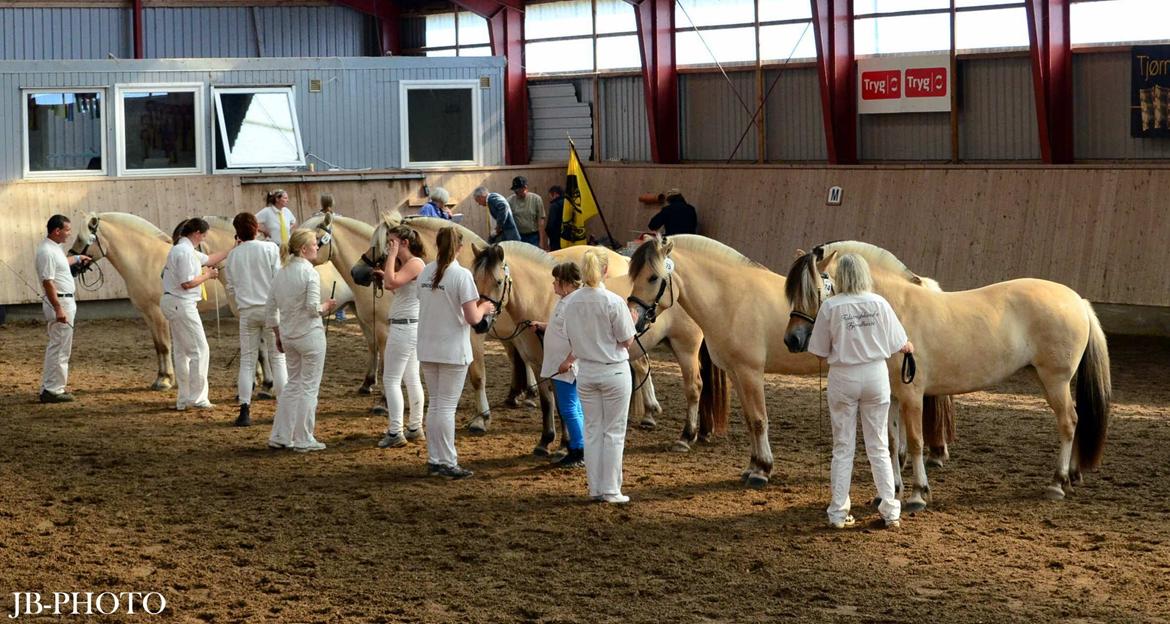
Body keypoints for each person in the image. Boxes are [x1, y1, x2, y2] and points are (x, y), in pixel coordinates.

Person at [806, 253, 912, 530]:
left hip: (843, 376)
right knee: (878, 445)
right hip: (876, 376)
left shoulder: (831, 307)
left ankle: (838, 513)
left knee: (843, 446)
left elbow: (818, 351)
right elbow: (900, 343)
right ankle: (890, 511)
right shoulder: (879, 303)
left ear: (841, 276)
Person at [416, 226, 496, 479]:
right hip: (451, 348)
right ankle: (447, 461)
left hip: (428, 346)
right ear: (459, 248)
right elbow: (473, 317)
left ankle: (435, 458)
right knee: (446, 407)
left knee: (436, 404)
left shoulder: (426, 271)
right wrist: (485, 307)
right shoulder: (461, 276)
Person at [560, 250, 636, 503]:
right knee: (613, 432)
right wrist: (632, 320)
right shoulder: (613, 301)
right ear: (605, 271)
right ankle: (611, 489)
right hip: (613, 369)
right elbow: (626, 341)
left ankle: (595, 487)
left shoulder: (570, 302)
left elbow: (568, 334)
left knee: (592, 430)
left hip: (587, 371)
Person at [265, 229, 338, 452]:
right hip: (309, 336)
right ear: (304, 249)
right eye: (315, 244)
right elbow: (312, 308)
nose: (318, 247)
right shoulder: (310, 273)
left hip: (288, 336)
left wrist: (277, 334)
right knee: (308, 388)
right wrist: (327, 306)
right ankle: (304, 438)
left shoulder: (281, 272)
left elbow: (270, 308)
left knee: (292, 385)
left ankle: (280, 435)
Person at [161, 218, 231, 411]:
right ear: (197, 233)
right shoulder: (184, 252)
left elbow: (209, 259)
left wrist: (232, 248)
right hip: (181, 303)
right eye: (204, 235)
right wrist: (208, 276)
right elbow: (187, 283)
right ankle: (198, 398)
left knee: (183, 352)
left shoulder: (184, 250)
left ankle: (184, 398)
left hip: (175, 303)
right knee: (200, 350)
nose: (204, 239)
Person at [224, 212, 287, 427]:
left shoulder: (233, 255)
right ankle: (283, 407)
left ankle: (244, 409)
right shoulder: (270, 248)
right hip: (270, 309)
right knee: (277, 359)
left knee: (247, 361)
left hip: (247, 311)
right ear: (256, 228)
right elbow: (278, 279)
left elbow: (230, 286)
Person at [371, 224, 427, 449]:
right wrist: (387, 273)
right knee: (411, 377)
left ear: (404, 243)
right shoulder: (411, 265)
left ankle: (395, 431)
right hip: (409, 326)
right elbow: (397, 286)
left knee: (391, 379)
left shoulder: (414, 262)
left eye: (392, 242)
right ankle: (414, 426)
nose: (388, 246)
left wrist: (391, 259)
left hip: (404, 328)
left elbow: (391, 283)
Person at [531, 262, 585, 468]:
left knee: (569, 408)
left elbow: (580, 337)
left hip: (565, 366)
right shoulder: (565, 301)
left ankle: (578, 450)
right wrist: (542, 326)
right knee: (573, 407)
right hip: (559, 364)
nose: (553, 283)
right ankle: (579, 447)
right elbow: (560, 328)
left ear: (566, 283)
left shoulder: (574, 304)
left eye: (556, 280)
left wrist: (569, 361)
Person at [36, 215, 90, 403]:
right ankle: (53, 389)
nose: (69, 233)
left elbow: (60, 265)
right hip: (61, 302)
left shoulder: (54, 249)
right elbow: (48, 282)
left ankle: (51, 386)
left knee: (58, 346)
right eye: (67, 230)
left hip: (64, 301)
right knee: (60, 347)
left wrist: (76, 258)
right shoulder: (47, 252)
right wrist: (59, 308)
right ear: (57, 231)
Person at [507, 176, 547, 249]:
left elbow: (541, 222)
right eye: (515, 190)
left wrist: (541, 241)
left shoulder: (536, 199)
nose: (516, 192)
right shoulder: (510, 201)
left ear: (525, 188)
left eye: (518, 190)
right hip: (518, 236)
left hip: (533, 237)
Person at [544, 186, 565, 252]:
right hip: (568, 239)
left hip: (556, 240)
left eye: (550, 195)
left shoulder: (555, 205)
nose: (549, 198)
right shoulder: (569, 204)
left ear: (555, 194)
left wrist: (549, 235)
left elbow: (550, 225)